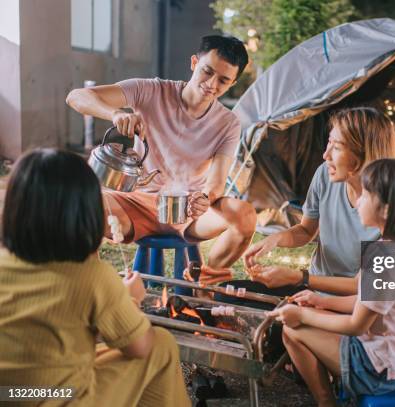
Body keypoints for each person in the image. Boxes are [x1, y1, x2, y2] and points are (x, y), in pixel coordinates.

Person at [0, 149, 190, 407]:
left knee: (100, 355)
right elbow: (139, 348)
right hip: (59, 399)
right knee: (161, 345)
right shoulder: (92, 277)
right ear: (84, 213)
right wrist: (129, 299)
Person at [66, 35, 256, 273]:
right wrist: (115, 114)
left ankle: (207, 280)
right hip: (135, 201)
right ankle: (87, 283)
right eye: (207, 71)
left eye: (223, 81)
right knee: (83, 205)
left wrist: (205, 199)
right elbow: (76, 97)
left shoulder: (228, 123)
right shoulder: (150, 90)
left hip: (188, 209)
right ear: (194, 62)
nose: (212, 84)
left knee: (245, 215)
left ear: (232, 84)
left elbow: (216, 182)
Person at [269, 158, 395, 406]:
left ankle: (326, 402)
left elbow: (357, 325)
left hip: (376, 369)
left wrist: (301, 317)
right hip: (391, 359)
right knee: (307, 314)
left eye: (367, 195)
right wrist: (319, 301)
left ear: (387, 209)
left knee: (292, 330)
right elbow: (364, 300)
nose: (358, 200)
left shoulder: (384, 259)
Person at [238, 107, 395, 302]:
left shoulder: (393, 206)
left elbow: (364, 287)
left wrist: (300, 277)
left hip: (353, 304)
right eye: (328, 143)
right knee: (231, 296)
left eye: (337, 147)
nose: (326, 155)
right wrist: (275, 239)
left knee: (290, 328)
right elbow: (306, 231)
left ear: (364, 153)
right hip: (311, 289)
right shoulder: (325, 173)